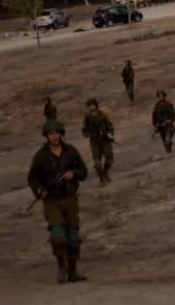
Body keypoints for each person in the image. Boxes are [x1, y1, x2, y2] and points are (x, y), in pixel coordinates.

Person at [27, 120, 89, 284]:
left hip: (70, 199)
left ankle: (73, 271)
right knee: (58, 237)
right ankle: (62, 267)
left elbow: (84, 172)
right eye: (51, 134)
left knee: (73, 237)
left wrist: (72, 174)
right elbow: (32, 178)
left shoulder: (71, 152)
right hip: (52, 201)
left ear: (61, 133)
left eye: (56, 133)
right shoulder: (41, 156)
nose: (54, 136)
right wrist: (39, 190)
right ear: (46, 136)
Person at [80, 98, 115, 185]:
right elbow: (84, 130)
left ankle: (105, 172)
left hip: (105, 140)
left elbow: (110, 125)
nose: (92, 107)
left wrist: (110, 134)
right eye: (90, 105)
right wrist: (90, 134)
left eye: (93, 105)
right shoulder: (87, 117)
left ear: (96, 105)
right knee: (97, 162)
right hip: (94, 142)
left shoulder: (103, 115)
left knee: (109, 160)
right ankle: (101, 178)